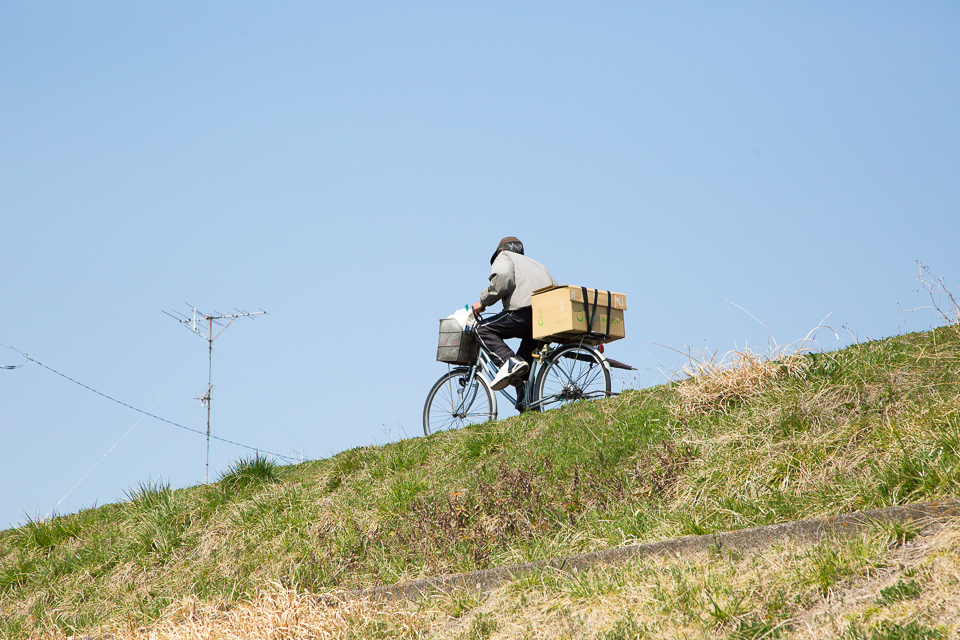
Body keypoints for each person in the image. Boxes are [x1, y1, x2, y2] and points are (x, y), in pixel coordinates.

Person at [471, 237, 558, 399]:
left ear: (501, 250)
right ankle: (527, 405)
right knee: (523, 367)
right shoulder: (538, 265)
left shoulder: (504, 256)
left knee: (481, 329)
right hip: (545, 320)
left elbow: (503, 278)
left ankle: (508, 361)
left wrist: (483, 302)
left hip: (523, 312)